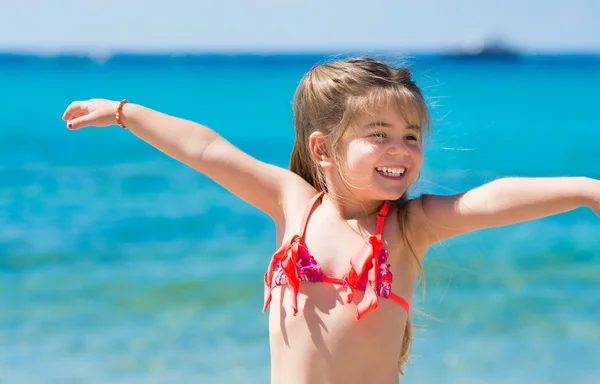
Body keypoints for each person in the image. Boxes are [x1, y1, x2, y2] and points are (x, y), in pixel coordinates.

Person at [61, 57, 599, 384]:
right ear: (324, 148)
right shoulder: (293, 204)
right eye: (380, 133)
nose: (401, 148)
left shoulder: (409, 228)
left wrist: (583, 189)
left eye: (412, 136)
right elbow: (206, 148)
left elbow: (491, 199)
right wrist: (124, 111)